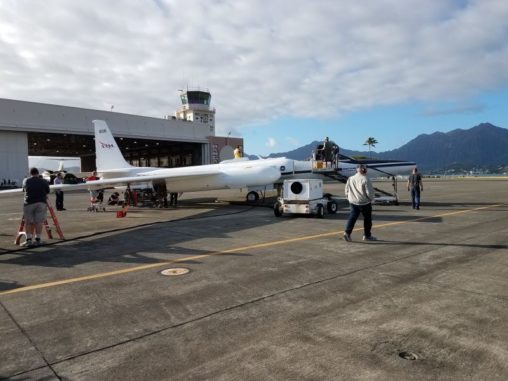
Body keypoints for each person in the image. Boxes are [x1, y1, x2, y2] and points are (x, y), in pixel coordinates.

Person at [343, 164, 376, 242]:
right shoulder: (365, 179)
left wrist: (348, 197)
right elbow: (369, 193)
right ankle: (367, 235)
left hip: (353, 202)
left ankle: (347, 233)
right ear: (364, 170)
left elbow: (346, 190)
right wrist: (371, 199)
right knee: (367, 219)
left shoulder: (350, 178)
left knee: (352, 217)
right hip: (364, 202)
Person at [22, 167, 50, 246]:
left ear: (30, 173)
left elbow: (24, 189)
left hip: (29, 203)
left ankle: (29, 240)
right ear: (38, 173)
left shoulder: (26, 180)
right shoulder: (44, 181)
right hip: (41, 202)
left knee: (28, 222)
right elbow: (47, 191)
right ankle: (38, 239)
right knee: (39, 222)